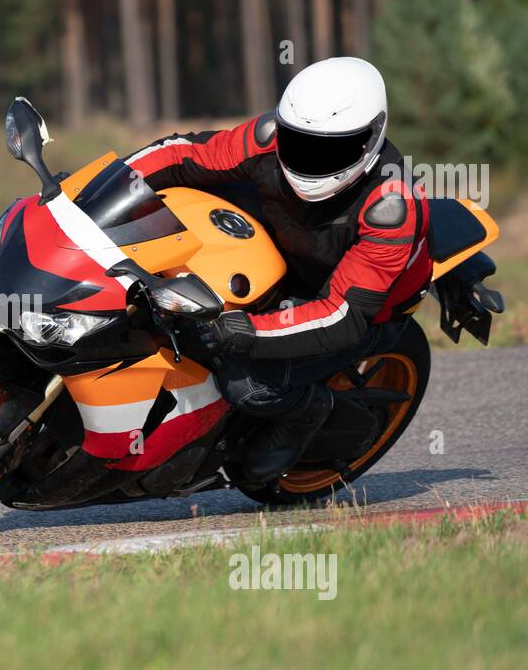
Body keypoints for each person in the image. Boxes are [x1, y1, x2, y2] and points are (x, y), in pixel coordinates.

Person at [123, 56, 431, 485]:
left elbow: (342, 316)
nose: (309, 160)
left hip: (356, 310)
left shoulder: (390, 208)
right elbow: (184, 155)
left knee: (242, 382)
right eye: (299, 143)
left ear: (372, 137)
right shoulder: (267, 138)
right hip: (284, 258)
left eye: (331, 150)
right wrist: (98, 187)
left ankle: (307, 412)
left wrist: (246, 331)